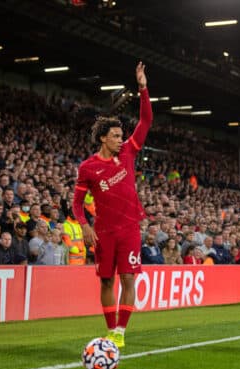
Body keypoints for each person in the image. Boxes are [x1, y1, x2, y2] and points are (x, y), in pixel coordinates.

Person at [72, 62, 152, 348]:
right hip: (104, 231)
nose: (121, 139)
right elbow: (77, 203)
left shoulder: (129, 152)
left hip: (130, 227)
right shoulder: (88, 168)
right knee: (106, 282)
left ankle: (120, 331)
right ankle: (109, 329)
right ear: (104, 138)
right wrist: (83, 226)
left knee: (128, 279)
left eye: (121, 136)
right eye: (116, 136)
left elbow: (145, 123)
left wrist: (143, 88)